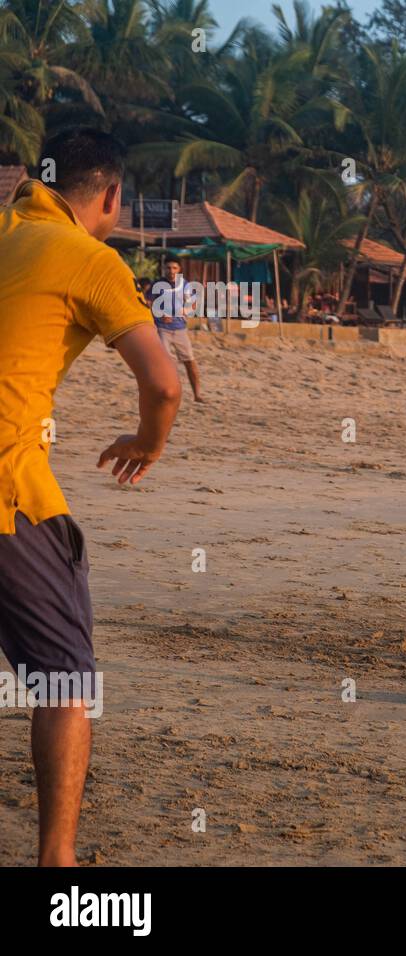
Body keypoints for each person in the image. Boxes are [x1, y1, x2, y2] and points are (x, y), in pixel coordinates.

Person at [0, 128, 182, 865]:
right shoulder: (91, 258)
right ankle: (58, 868)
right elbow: (163, 383)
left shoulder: (10, 228)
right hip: (10, 490)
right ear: (110, 196)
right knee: (66, 680)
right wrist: (148, 442)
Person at [153, 256, 204, 402]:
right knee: (165, 363)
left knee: (190, 361)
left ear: (179, 269)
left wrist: (182, 311)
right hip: (162, 329)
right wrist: (160, 314)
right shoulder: (158, 285)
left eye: (174, 268)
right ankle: (167, 394)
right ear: (164, 269)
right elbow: (148, 303)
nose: (171, 271)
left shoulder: (185, 285)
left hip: (180, 329)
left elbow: (193, 305)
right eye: (168, 268)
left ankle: (197, 394)